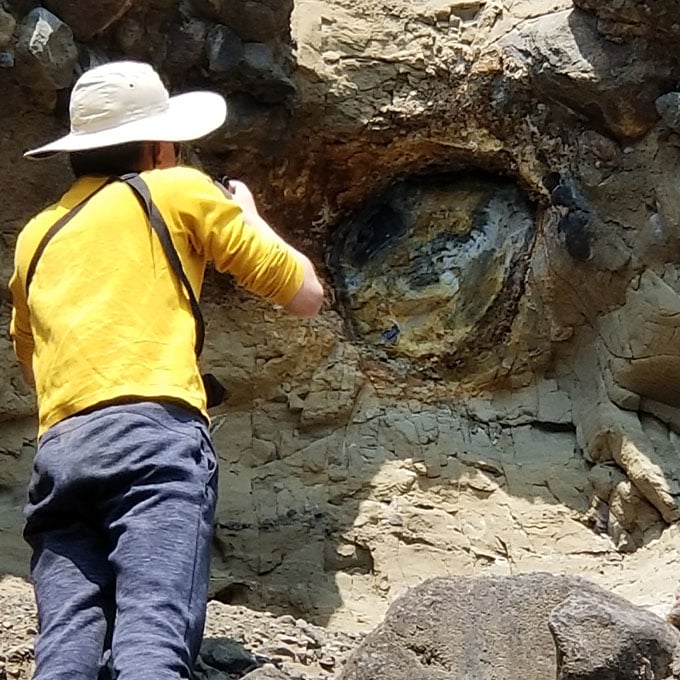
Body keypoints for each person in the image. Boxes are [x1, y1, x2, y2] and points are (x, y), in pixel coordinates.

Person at [8, 60, 324, 680]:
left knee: (65, 647)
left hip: (61, 450)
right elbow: (305, 294)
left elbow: (32, 360)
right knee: (152, 635)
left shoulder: (35, 236)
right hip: (153, 439)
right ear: (158, 146)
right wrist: (253, 220)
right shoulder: (176, 187)